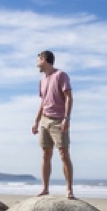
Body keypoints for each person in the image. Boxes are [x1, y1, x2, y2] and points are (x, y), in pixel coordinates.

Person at [32, 50, 74, 199]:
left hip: (58, 120)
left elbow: (69, 97)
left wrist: (66, 118)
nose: (36, 63)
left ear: (44, 59)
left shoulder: (61, 75)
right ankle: (45, 188)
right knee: (46, 154)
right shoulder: (42, 81)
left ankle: (69, 190)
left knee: (63, 154)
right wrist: (36, 121)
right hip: (44, 120)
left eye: (38, 60)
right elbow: (43, 102)